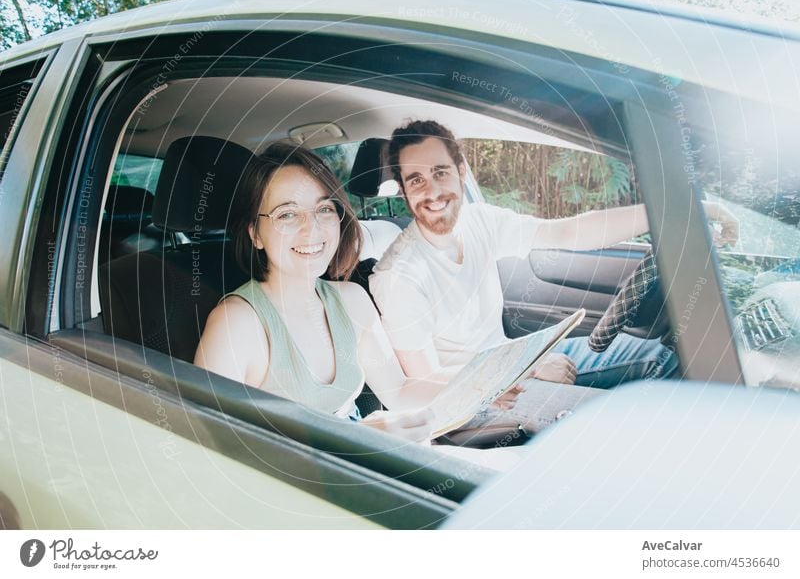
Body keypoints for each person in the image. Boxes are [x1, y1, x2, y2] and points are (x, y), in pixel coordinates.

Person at [369, 120, 739, 439]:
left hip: (514, 364)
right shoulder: (400, 275)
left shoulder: (478, 221)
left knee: (658, 357)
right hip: (476, 404)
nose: (432, 192)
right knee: (617, 424)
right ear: (402, 191)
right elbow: (427, 384)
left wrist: (676, 210)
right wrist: (524, 370)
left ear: (461, 171)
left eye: (440, 172)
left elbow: (567, 233)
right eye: (416, 180)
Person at [194, 142, 438, 442]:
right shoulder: (236, 324)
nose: (312, 230)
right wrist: (353, 439)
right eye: (287, 214)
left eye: (323, 209)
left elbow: (399, 392)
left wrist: (483, 387)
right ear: (255, 233)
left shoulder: (352, 299)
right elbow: (212, 444)